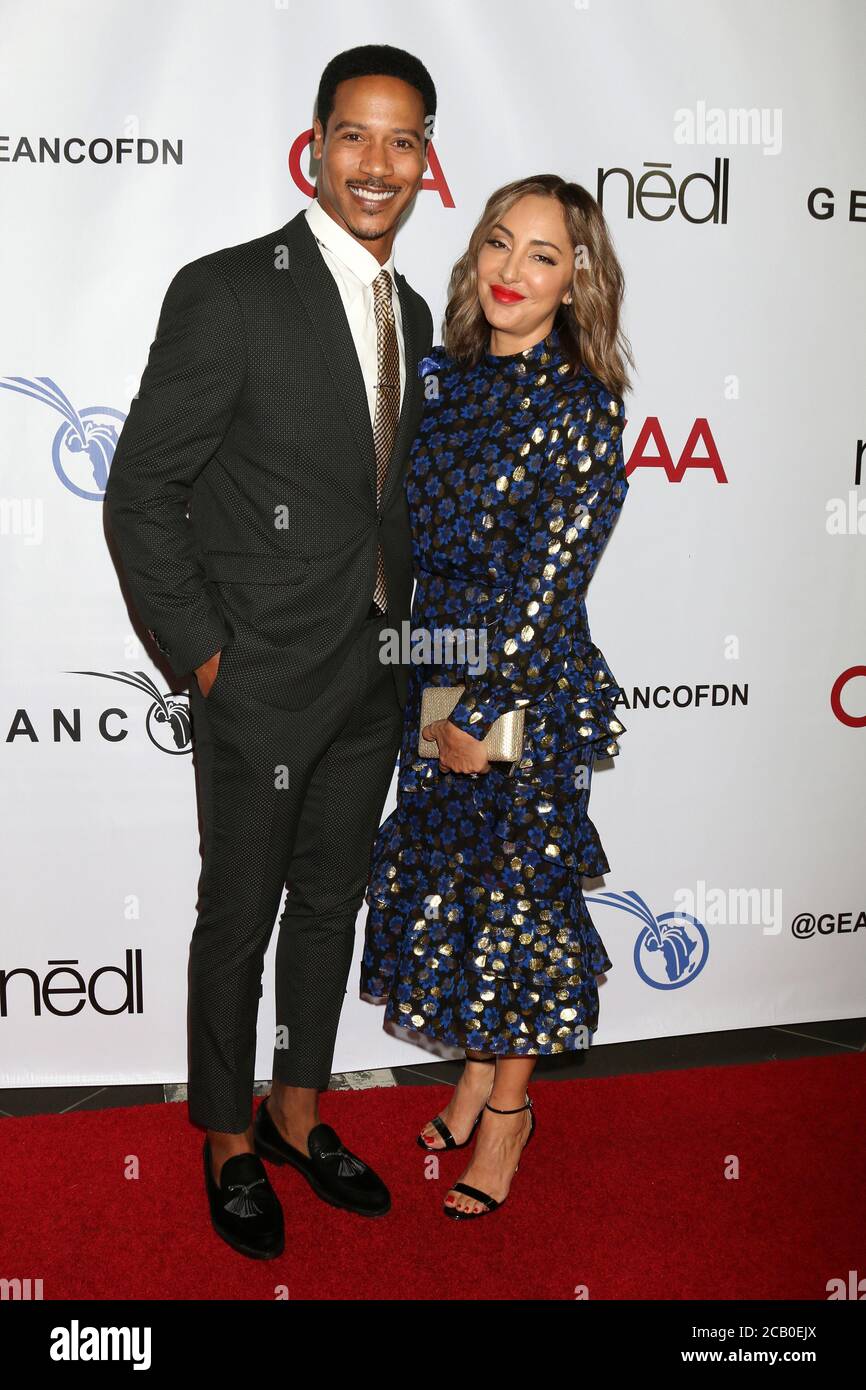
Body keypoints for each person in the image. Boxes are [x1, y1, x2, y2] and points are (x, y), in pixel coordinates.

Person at [104, 44, 436, 1258]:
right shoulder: (231, 289)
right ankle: (224, 1136)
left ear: (425, 162)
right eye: (355, 134)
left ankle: (298, 1110)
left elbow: (378, 506)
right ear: (316, 142)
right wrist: (205, 657)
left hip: (370, 682)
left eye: (402, 141)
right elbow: (140, 493)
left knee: (329, 906)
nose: (376, 163)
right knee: (236, 915)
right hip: (257, 681)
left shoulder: (410, 310)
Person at [361, 174, 633, 1219]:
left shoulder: (578, 406)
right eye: (497, 245)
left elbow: (548, 586)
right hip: (433, 657)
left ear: (575, 283)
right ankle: (474, 1069)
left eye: (542, 256)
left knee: (515, 900)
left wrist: (479, 713)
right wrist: (428, 693)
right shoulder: (444, 377)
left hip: (524, 681)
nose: (512, 272)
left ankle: (509, 1112)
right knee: (454, 885)